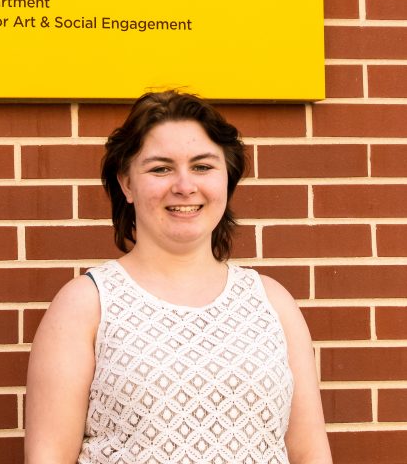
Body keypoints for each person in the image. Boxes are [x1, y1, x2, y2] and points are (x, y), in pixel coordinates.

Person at [25, 90, 332, 464]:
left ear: (227, 178)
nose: (185, 186)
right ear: (126, 184)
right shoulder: (86, 304)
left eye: (203, 167)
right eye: (160, 168)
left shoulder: (272, 302)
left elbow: (309, 453)